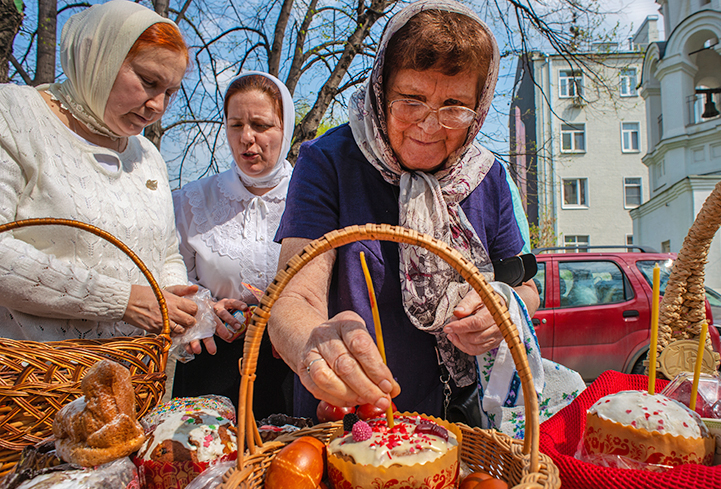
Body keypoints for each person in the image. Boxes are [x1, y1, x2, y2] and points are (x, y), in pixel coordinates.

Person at [270, 0, 540, 421]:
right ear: (382, 89)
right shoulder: (330, 161)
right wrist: (315, 344)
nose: (429, 127)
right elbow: (294, 296)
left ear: (479, 108)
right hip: (351, 416)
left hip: (463, 420)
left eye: (454, 107)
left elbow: (525, 288)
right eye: (411, 100)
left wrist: (502, 307)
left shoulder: (486, 177)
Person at [0, 0, 209, 342]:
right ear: (100, 58)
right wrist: (123, 301)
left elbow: (166, 250)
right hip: (33, 380)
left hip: (133, 378)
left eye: (170, 92)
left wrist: (175, 296)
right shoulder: (15, 115)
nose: (157, 105)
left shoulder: (147, 155)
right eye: (148, 81)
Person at [171, 72, 295, 418]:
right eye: (235, 124)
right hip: (210, 362)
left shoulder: (311, 196)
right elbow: (171, 274)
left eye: (260, 124)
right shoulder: (193, 200)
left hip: (290, 365)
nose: (246, 138)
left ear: (286, 128)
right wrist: (205, 311)